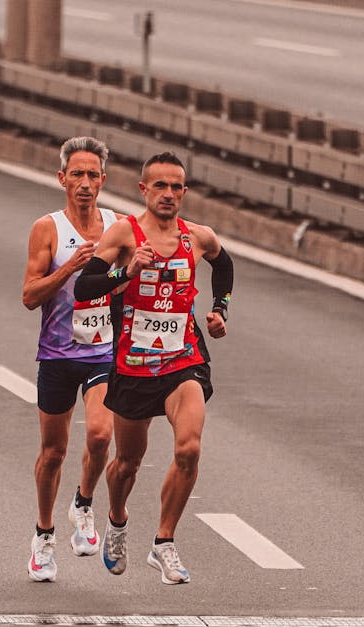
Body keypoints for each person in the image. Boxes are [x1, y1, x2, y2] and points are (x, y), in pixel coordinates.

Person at [74, 151, 233, 585]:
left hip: (184, 359)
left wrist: (220, 309)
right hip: (133, 365)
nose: (168, 194)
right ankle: (118, 519)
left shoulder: (198, 237)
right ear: (144, 189)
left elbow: (224, 264)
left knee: (189, 449)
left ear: (185, 192)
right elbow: (85, 288)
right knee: (127, 462)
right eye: (159, 186)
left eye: (175, 187)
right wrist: (124, 273)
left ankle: (164, 542)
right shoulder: (125, 233)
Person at [21, 136, 118, 582]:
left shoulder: (120, 227)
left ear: (103, 180)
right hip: (57, 354)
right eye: (76, 174)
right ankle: (43, 536)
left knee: (100, 436)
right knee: (54, 451)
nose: (84, 183)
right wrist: (69, 269)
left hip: (105, 351)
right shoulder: (48, 229)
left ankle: (83, 504)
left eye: (92, 175)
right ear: (62, 179)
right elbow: (28, 296)